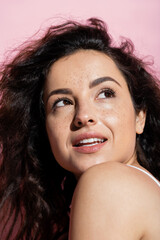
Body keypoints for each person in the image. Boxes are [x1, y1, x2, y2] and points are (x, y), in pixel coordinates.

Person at [0, 18, 160, 240]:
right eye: (62, 102)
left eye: (105, 93)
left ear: (140, 117)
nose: (83, 116)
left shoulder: (108, 184)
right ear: (45, 130)